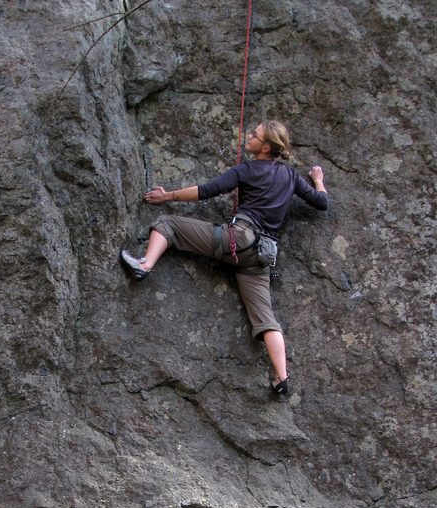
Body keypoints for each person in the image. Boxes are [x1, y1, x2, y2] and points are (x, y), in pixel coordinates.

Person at [120, 120, 328, 395]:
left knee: (167, 224)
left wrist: (167, 196)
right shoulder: (291, 177)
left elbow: (208, 190)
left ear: (265, 147)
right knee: (266, 319)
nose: (249, 136)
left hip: (237, 240)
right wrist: (319, 181)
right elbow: (321, 202)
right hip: (260, 258)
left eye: (254, 135)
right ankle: (282, 377)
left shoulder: (248, 169)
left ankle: (145, 264)